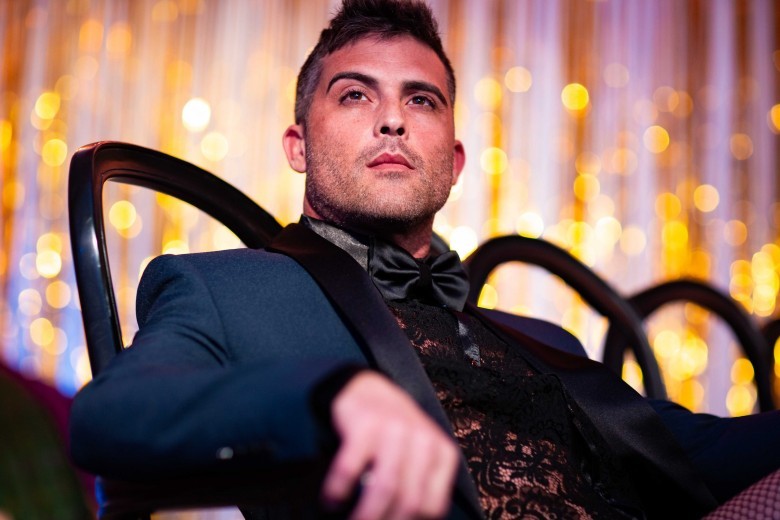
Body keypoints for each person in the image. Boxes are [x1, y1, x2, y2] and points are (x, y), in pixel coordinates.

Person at [68, 1, 780, 519]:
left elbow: (705, 449)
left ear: (454, 161)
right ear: (298, 146)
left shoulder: (545, 338)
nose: (393, 119)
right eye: (355, 95)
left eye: (422, 100)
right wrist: (326, 396)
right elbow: (109, 417)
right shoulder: (228, 286)